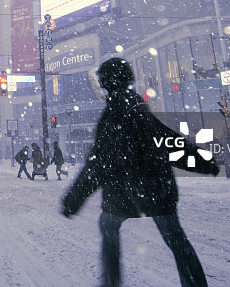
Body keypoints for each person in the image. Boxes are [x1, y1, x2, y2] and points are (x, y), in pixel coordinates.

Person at [61, 57, 220, 287]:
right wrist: (205, 162)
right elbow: (171, 142)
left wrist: (73, 200)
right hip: (157, 189)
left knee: (108, 225)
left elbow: (97, 165)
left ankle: (111, 282)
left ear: (107, 83)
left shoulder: (113, 115)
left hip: (127, 191)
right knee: (176, 240)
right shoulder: (138, 107)